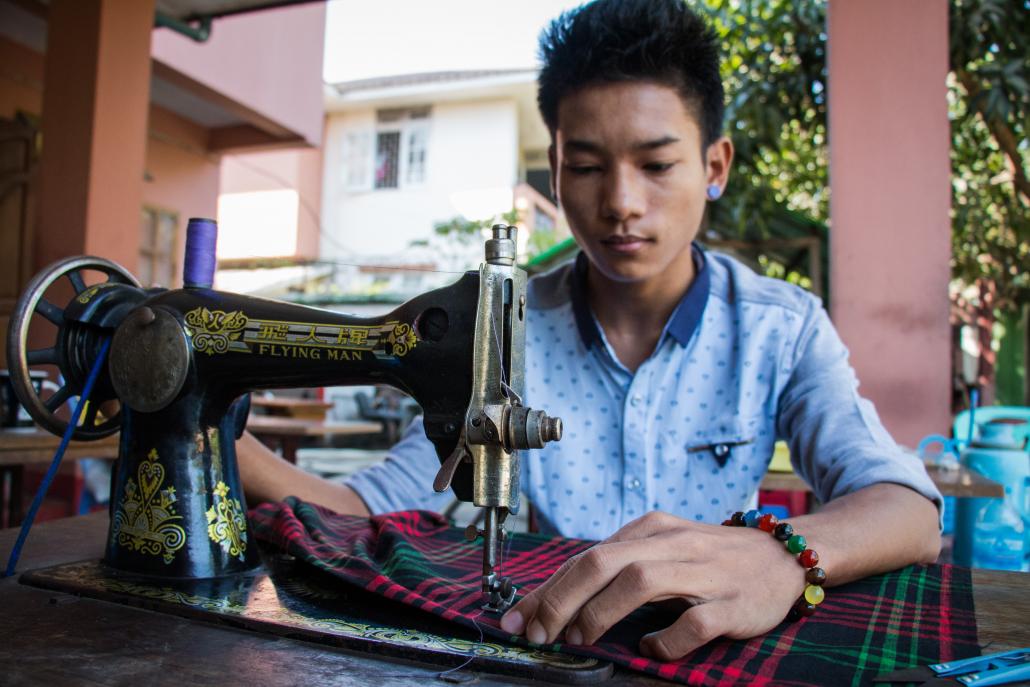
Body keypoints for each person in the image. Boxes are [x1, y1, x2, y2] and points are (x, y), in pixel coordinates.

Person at [238, 0, 942, 661]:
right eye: (586, 166)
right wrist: (216, 434)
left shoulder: (779, 329)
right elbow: (367, 508)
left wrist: (781, 551)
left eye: (658, 164)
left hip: (704, 647)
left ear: (715, 166)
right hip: (560, 642)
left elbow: (908, 510)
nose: (621, 203)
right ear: (556, 168)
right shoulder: (505, 333)